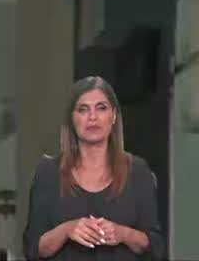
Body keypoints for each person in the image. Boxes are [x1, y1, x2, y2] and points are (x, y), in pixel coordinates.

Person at [23, 76, 165, 260]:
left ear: (113, 116)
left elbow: (155, 247)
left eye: (101, 108)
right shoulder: (48, 173)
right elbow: (33, 249)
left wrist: (123, 233)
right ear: (72, 119)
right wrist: (67, 230)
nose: (93, 117)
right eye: (83, 109)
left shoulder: (137, 171)